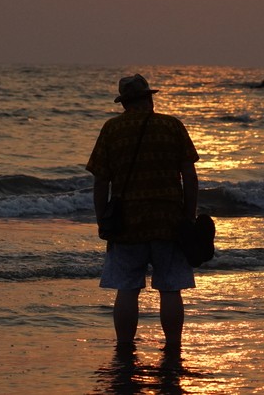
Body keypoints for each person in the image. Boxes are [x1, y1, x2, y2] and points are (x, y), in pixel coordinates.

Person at [86, 74, 199, 348]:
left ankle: (125, 347)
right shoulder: (171, 126)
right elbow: (189, 174)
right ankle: (173, 347)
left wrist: (103, 220)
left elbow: (101, 181)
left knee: (127, 288)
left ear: (124, 103)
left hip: (127, 223)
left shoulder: (112, 129)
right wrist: (189, 216)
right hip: (168, 220)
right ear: (149, 97)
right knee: (171, 288)